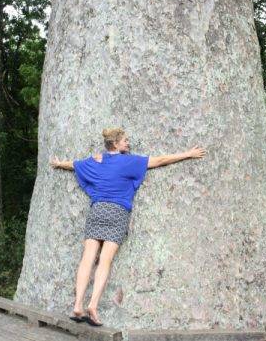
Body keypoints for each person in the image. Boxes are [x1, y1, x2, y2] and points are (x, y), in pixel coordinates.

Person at [49, 127, 206, 326]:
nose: (128, 143)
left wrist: (58, 163)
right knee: (104, 261)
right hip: (117, 212)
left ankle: (78, 305)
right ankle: (93, 306)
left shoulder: (94, 162)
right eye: (124, 140)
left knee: (87, 258)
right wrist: (188, 154)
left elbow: (74, 165)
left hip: (97, 210)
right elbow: (160, 160)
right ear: (115, 144)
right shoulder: (129, 162)